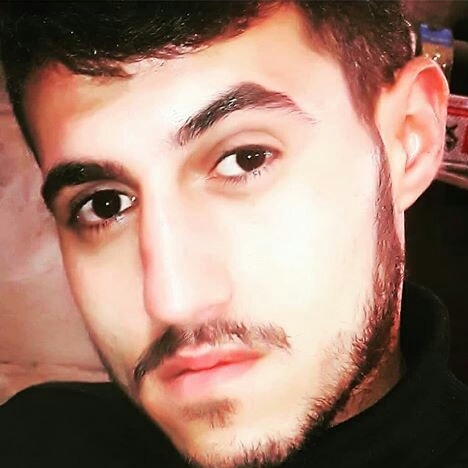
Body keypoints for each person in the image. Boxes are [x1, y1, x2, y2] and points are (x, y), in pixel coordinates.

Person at [0, 1, 467, 467]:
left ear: (410, 138)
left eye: (246, 159)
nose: (173, 301)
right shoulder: (33, 440)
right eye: (105, 204)